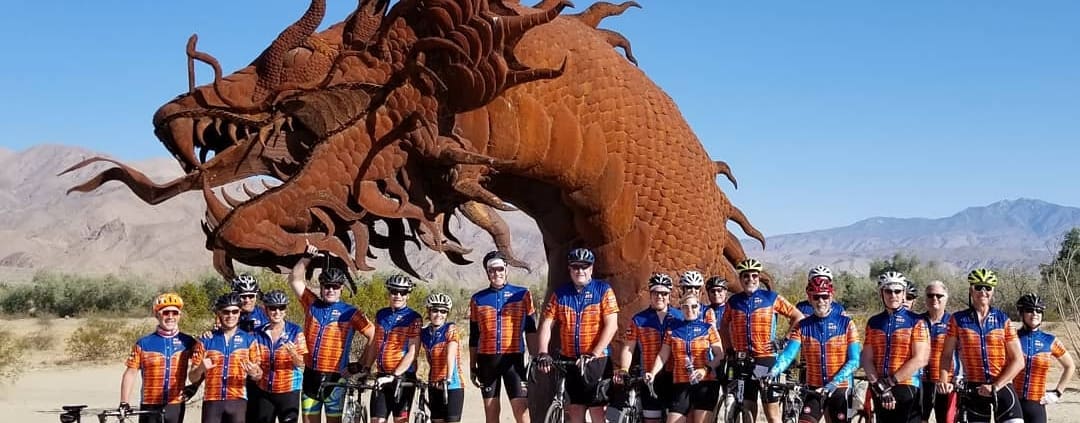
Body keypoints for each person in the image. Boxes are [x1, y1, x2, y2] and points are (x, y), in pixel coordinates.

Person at [289, 246, 376, 423]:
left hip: (336, 377)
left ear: (341, 288)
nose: (330, 290)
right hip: (310, 374)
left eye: (335, 287)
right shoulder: (312, 304)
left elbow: (375, 336)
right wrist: (307, 257)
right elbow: (295, 279)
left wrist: (361, 366)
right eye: (327, 286)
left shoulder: (351, 312)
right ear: (321, 287)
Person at [536, 247, 620, 423]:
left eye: (584, 267)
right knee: (575, 410)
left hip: (596, 360)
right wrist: (543, 351)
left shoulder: (603, 290)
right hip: (570, 360)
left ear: (591, 269)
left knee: (597, 412)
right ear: (570, 269)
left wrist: (594, 352)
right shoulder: (560, 293)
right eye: (575, 267)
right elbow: (546, 324)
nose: (579, 271)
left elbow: (611, 325)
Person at [719, 258, 803, 423]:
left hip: (765, 360)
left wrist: (784, 340)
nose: (750, 279)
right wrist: (729, 350)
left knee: (771, 411)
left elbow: (798, 317)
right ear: (741, 279)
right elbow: (723, 326)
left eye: (754, 276)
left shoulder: (770, 298)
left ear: (759, 278)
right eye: (746, 276)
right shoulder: (734, 302)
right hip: (742, 361)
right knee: (747, 409)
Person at [768, 276, 861, 423]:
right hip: (813, 388)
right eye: (816, 297)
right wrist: (773, 371)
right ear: (810, 299)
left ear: (831, 297)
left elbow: (855, 360)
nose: (821, 301)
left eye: (824, 296)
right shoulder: (802, 326)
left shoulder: (847, 324)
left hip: (840, 388)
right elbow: (788, 355)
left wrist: (834, 383)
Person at [937, 269, 1025, 423]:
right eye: (978, 287)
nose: (983, 292)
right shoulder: (957, 319)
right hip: (973, 388)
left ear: (993, 291)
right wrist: (944, 380)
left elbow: (1018, 360)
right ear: (971, 290)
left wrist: (995, 386)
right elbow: (946, 354)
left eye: (988, 288)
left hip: (1002, 384)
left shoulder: (1003, 319)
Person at [467, 251, 537, 423]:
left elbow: (530, 329)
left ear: (506, 270)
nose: (496, 273)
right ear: (487, 272)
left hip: (514, 360)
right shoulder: (477, 299)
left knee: (522, 411)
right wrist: (472, 365)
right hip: (486, 361)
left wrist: (534, 357)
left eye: (499, 269)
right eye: (491, 270)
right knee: (491, 413)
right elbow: (474, 335)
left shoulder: (522, 295)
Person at [120, 293, 204, 423]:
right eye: (166, 313)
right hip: (149, 404)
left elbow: (203, 366)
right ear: (157, 314)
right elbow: (130, 373)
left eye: (175, 313)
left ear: (179, 315)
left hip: (175, 404)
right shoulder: (144, 343)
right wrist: (124, 402)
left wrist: (194, 387)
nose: (170, 317)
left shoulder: (189, 341)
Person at [861, 271, 929, 423]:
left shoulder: (916, 321)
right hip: (880, 387)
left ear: (904, 293)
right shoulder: (874, 322)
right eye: (888, 291)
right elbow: (866, 358)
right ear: (881, 293)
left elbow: (920, 359)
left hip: (906, 386)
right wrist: (878, 385)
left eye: (897, 291)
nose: (893, 295)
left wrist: (890, 382)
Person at [644, 294, 724, 423]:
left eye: (694, 306)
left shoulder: (708, 329)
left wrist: (706, 369)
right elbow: (663, 355)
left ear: (699, 308)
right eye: (685, 307)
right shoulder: (672, 330)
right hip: (681, 383)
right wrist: (652, 373)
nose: (690, 310)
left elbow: (720, 355)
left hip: (705, 382)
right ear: (681, 309)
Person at [615, 273, 684, 423]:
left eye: (664, 293)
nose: (660, 296)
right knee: (651, 419)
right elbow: (629, 347)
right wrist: (624, 369)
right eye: (656, 293)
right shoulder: (639, 319)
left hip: (675, 376)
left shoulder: (679, 317)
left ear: (669, 294)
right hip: (649, 377)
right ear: (650, 294)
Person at [190, 293, 264, 423]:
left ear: (240, 312)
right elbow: (192, 377)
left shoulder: (249, 340)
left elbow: (259, 374)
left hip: (238, 400)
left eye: (235, 311)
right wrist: (201, 368)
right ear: (219, 313)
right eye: (226, 312)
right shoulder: (206, 340)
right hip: (212, 401)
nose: (231, 316)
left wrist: (254, 373)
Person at [360, 274, 423, 423]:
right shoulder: (381, 314)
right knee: (376, 420)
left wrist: (394, 375)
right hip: (381, 375)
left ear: (408, 295)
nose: (398, 295)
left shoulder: (414, 317)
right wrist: (367, 367)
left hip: (403, 377)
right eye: (394, 291)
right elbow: (376, 343)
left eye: (403, 292)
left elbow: (412, 352)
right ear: (389, 293)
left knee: (400, 420)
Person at [1012, 293, 1075, 423]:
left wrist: (1058, 392)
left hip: (1037, 404)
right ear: (1021, 313)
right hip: (1012, 401)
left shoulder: (1050, 340)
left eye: (1039, 310)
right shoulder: (1011, 337)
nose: (1034, 313)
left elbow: (1070, 366)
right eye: (1029, 310)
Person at [252, 290, 307, 423]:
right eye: (273, 308)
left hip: (289, 390)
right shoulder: (258, 333)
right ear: (265, 309)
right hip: (265, 390)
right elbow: (255, 363)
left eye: (281, 307)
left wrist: (293, 354)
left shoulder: (295, 331)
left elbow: (302, 364)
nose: (277, 312)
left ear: (285, 310)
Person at [421, 293, 466, 423]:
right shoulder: (424, 333)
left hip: (453, 384)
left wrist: (449, 377)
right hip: (434, 383)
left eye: (443, 311)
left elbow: (451, 353)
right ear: (429, 311)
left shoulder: (450, 329)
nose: (439, 314)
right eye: (435, 310)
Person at [919, 281, 955, 423]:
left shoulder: (954, 322)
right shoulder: (916, 321)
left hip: (946, 383)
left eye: (939, 295)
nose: (934, 299)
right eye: (930, 295)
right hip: (921, 382)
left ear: (946, 298)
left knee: (945, 420)